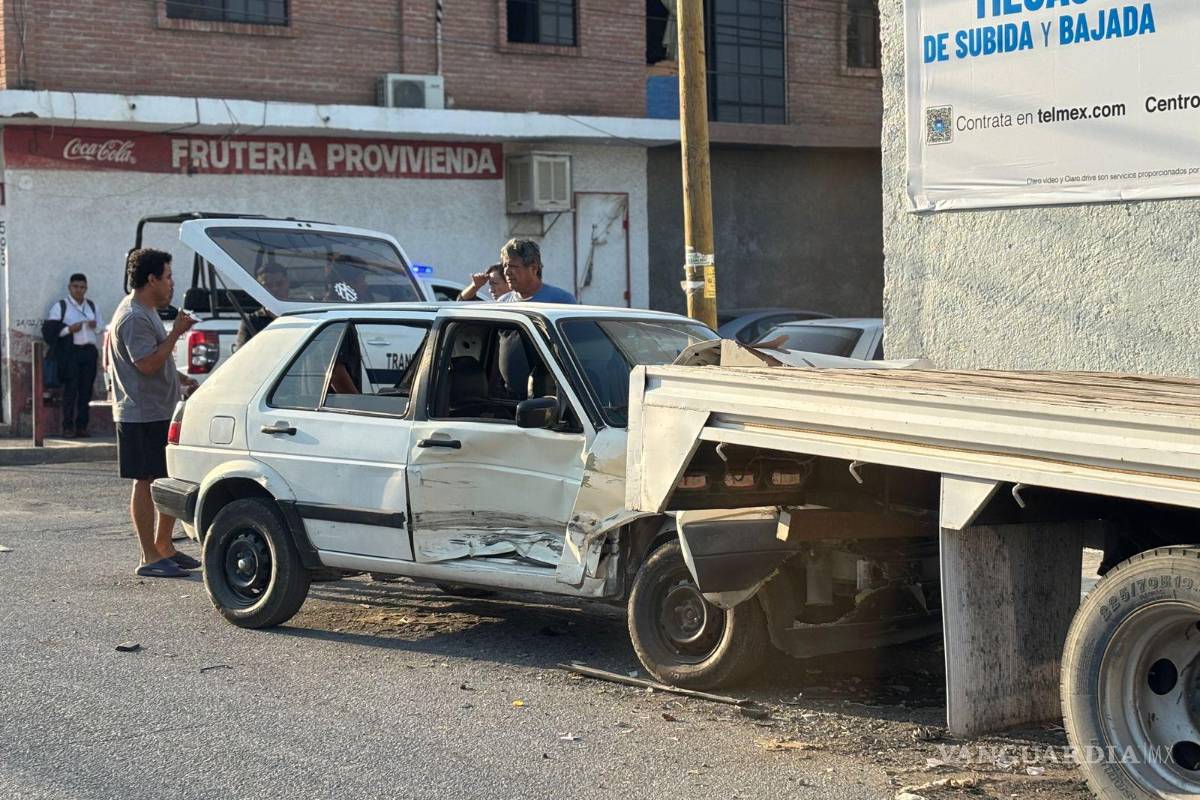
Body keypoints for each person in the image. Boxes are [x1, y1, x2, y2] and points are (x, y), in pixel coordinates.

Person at [108, 248, 200, 578]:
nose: (172, 284)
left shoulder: (145, 312)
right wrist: (177, 333)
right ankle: (149, 556)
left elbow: (151, 359)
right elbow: (145, 364)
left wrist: (179, 379)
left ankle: (164, 545)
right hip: (141, 414)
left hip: (156, 410)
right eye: (169, 277)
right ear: (152, 280)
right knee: (145, 481)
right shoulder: (134, 316)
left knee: (164, 478)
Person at [46, 273, 104, 437]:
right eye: (75, 287)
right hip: (71, 353)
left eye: (82, 287)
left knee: (86, 391)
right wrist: (69, 330)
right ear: (69, 287)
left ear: (86, 288)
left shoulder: (92, 306)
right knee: (70, 390)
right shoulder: (61, 306)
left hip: (89, 353)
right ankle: (68, 427)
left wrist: (94, 326)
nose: (79, 290)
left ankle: (82, 426)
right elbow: (50, 330)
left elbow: (101, 327)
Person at [497, 239, 576, 304]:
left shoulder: (561, 301)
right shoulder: (503, 303)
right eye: (505, 266)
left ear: (533, 269)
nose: (507, 272)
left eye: (513, 266)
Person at [234, 262, 289, 350]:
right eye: (268, 285)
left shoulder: (305, 316)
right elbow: (240, 356)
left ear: (287, 284)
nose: (274, 289)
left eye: (279, 284)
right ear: (260, 289)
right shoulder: (251, 322)